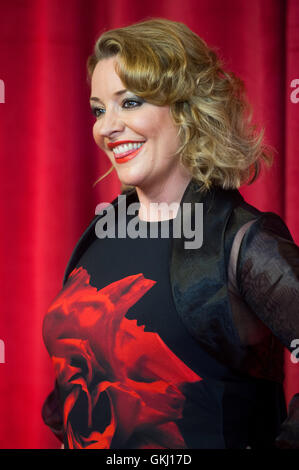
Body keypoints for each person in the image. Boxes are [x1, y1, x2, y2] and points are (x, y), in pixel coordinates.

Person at [42, 18, 299, 449]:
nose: (106, 127)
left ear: (187, 109)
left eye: (130, 102)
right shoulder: (99, 237)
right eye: (99, 109)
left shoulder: (240, 241)